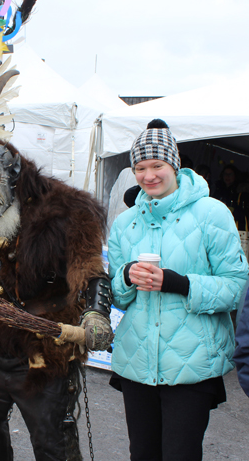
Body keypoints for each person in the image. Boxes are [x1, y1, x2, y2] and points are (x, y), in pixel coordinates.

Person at [0, 71, 114, 461]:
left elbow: (90, 268)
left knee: (51, 443)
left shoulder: (66, 210)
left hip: (44, 350)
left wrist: (97, 313)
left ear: (13, 174)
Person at [108, 119, 249, 461]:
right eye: (140, 167)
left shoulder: (212, 214)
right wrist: (126, 275)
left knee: (180, 454)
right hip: (137, 361)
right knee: (142, 454)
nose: (149, 175)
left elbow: (236, 287)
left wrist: (178, 283)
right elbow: (116, 294)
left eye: (157, 165)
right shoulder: (125, 223)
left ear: (175, 164)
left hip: (192, 363)